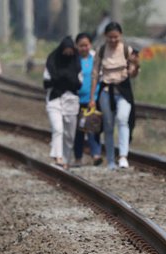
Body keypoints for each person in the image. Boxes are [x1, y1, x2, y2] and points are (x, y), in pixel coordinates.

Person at [88, 22, 140, 170]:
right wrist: (92, 98)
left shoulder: (126, 50)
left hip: (123, 90)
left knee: (123, 119)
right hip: (105, 91)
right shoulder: (101, 50)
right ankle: (110, 160)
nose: (113, 40)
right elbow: (94, 75)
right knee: (108, 126)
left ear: (120, 36)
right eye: (110, 37)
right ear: (105, 37)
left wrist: (136, 65)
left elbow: (132, 74)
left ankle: (123, 156)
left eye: (115, 37)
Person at [44, 36, 82, 169]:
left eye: (70, 51)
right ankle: (58, 157)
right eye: (65, 51)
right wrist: (61, 80)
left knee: (70, 133)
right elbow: (46, 82)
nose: (68, 54)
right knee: (58, 129)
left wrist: (67, 80)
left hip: (71, 100)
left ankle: (65, 158)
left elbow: (78, 83)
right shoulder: (52, 60)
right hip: (54, 98)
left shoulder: (76, 62)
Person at [73, 33, 103, 166]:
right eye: (81, 45)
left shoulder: (95, 58)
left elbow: (98, 77)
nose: (84, 48)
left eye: (86, 45)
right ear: (77, 46)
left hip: (93, 99)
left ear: (90, 45)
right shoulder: (74, 60)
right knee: (79, 130)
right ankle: (78, 157)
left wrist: (94, 98)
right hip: (77, 100)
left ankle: (96, 155)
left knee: (93, 128)